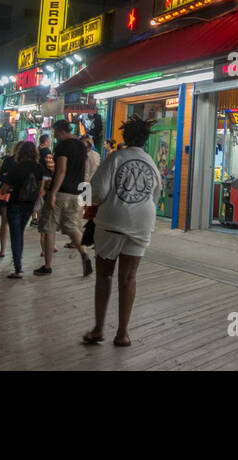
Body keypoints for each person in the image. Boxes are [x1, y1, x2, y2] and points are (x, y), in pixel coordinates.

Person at [84, 115, 162, 346]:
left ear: (125, 137)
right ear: (146, 140)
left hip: (112, 222)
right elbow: (155, 196)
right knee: (128, 278)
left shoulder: (115, 158)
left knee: (104, 276)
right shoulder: (151, 162)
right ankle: (123, 333)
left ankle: (98, 329)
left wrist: (89, 208)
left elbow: (96, 191)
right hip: (142, 223)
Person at [37, 120, 92, 277]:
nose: (55, 136)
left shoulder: (63, 146)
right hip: (77, 192)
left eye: (55, 133)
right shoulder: (81, 145)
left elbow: (61, 170)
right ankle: (84, 254)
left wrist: (53, 192)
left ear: (60, 131)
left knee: (49, 228)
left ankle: (47, 265)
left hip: (62, 191)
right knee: (71, 227)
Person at [0, 141, 44, 279]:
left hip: (15, 204)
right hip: (29, 205)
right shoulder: (39, 168)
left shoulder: (16, 168)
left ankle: (18, 269)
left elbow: (3, 190)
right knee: (20, 233)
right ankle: (18, 264)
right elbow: (41, 188)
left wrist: (11, 187)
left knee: (15, 235)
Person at [0, 143, 16, 258]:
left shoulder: (8, 161)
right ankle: (15, 251)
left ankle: (2, 250)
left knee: (4, 223)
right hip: (20, 197)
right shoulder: (29, 163)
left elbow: (0, 177)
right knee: (16, 225)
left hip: (6, 194)